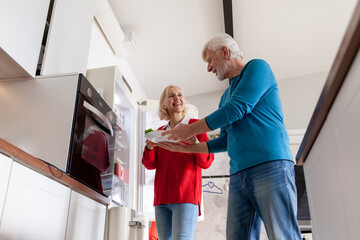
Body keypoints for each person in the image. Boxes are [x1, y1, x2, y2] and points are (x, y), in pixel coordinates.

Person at [157, 34, 302, 240]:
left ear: (225, 52)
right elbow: (225, 139)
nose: (208, 68)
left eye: (209, 60)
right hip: (238, 175)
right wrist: (185, 148)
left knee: (282, 235)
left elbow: (238, 108)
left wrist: (190, 130)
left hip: (270, 165)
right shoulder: (224, 97)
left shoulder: (257, 68)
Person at [142, 84, 214, 240]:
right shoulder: (160, 132)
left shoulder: (196, 125)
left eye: (180, 95)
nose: (177, 98)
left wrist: (195, 144)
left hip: (185, 196)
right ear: (164, 104)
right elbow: (150, 164)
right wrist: (149, 147)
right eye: (171, 95)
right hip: (161, 199)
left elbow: (207, 162)